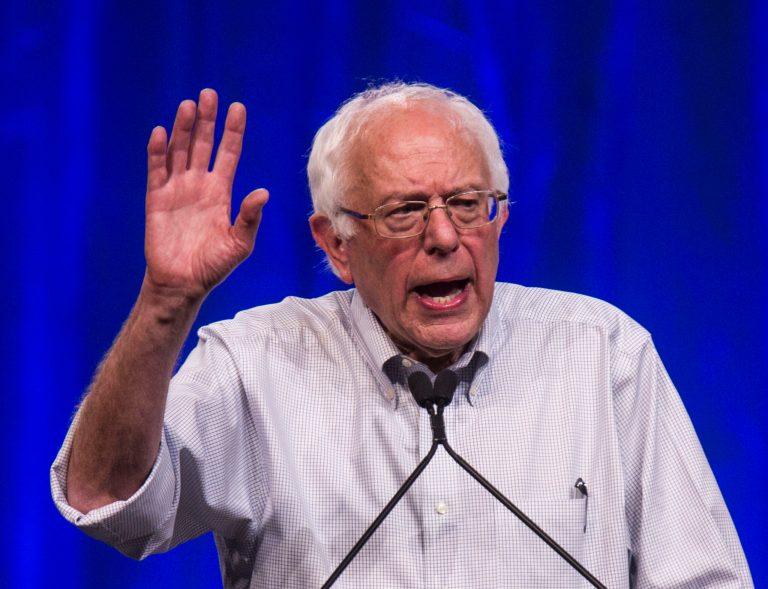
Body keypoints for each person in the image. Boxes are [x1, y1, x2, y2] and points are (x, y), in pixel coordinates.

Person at [52, 82, 753, 588]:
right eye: (404, 210)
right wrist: (166, 303)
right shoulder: (255, 363)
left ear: (500, 218)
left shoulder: (604, 355)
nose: (445, 236)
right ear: (336, 245)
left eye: (467, 205)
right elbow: (109, 502)